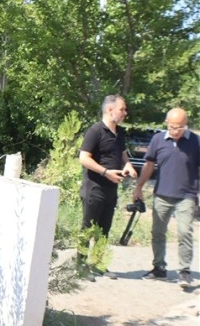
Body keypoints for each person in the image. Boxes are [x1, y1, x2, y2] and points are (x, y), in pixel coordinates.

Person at [132, 108, 199, 288]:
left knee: (185, 232)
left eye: (178, 127)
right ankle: (159, 268)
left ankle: (184, 271)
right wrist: (139, 187)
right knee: (158, 232)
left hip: (187, 195)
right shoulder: (158, 140)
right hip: (162, 194)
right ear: (166, 123)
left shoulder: (195, 141)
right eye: (171, 127)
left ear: (186, 125)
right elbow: (148, 165)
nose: (174, 131)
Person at [78, 94, 137, 280]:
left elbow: (122, 153)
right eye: (122, 109)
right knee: (88, 228)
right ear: (109, 109)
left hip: (111, 189)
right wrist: (105, 172)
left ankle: (97, 264)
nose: (125, 113)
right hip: (94, 187)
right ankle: (80, 266)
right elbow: (84, 158)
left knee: (104, 228)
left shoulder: (119, 132)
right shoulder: (95, 131)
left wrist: (127, 164)